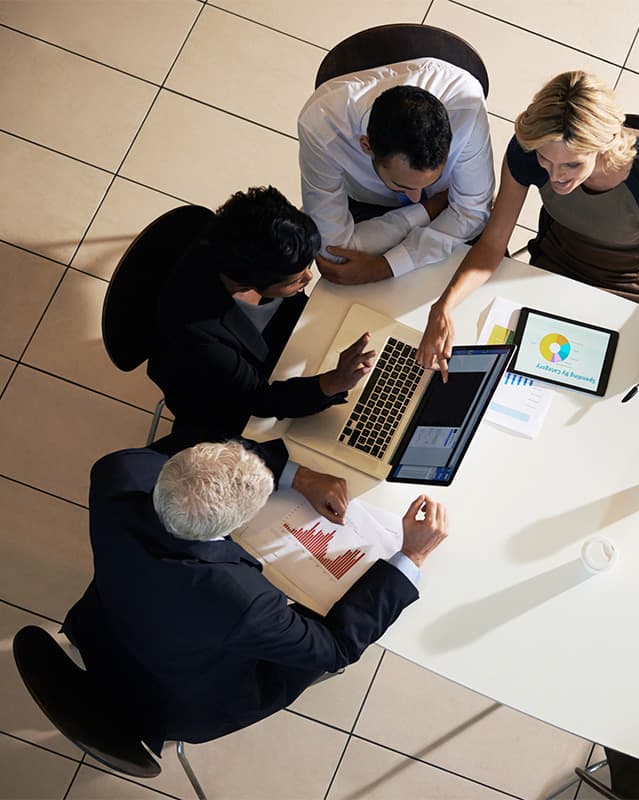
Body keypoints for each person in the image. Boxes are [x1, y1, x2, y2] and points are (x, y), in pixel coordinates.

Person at [61, 437, 448, 753]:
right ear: (238, 524)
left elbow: (198, 449)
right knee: (319, 643)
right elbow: (335, 648)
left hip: (103, 633)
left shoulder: (118, 472)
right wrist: (410, 556)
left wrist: (299, 476)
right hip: (168, 703)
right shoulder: (239, 600)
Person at [417, 70, 639, 381]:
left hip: (632, 284)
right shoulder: (526, 153)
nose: (556, 177)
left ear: (603, 145)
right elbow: (493, 243)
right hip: (553, 266)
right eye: (545, 161)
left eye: (572, 165)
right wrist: (444, 306)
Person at [147, 186, 375, 447]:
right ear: (249, 283)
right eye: (296, 279)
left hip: (276, 354)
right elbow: (259, 399)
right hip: (223, 401)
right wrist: (334, 382)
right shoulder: (197, 330)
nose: (309, 278)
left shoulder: (254, 240)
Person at [298, 58, 495, 285]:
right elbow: (336, 254)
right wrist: (432, 208)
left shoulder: (465, 104)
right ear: (367, 146)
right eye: (403, 185)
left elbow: (473, 213)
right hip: (372, 204)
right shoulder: (321, 127)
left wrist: (385, 266)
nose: (416, 196)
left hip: (441, 208)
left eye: (435, 177)